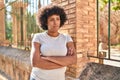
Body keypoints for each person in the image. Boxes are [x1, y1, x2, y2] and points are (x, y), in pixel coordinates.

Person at [30, 5, 77, 80]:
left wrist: (48, 58)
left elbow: (74, 59)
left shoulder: (67, 38)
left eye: (58, 19)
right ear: (46, 22)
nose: (55, 22)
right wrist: (64, 62)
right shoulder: (38, 37)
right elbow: (35, 63)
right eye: (52, 19)